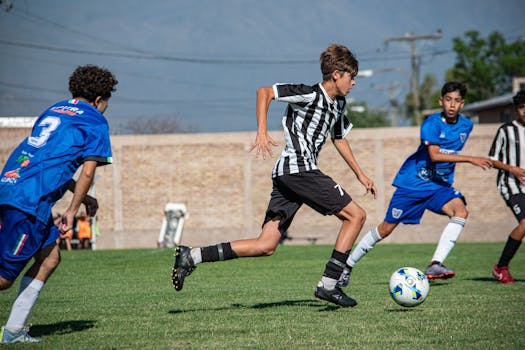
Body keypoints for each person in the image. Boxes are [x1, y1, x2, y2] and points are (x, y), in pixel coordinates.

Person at [172, 44, 376, 308]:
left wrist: (360, 174)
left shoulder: (338, 104)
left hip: (288, 176)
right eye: (351, 76)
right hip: (299, 170)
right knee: (356, 216)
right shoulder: (308, 93)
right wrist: (261, 131)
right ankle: (329, 284)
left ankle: (193, 256)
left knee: (265, 245)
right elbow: (264, 92)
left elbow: (338, 138)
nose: (354, 82)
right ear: (336, 74)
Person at [0, 65, 117, 343]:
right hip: (29, 202)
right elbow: (88, 171)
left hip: (11, 186)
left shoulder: (54, 110)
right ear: (100, 99)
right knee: (3, 279)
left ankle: (13, 331)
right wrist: (72, 210)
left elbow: (47, 163)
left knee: (50, 258)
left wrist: (81, 195)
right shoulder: (95, 121)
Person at [338, 82, 493, 288]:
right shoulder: (431, 123)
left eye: (456, 101)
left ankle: (435, 264)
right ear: (441, 101)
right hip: (414, 184)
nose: (452, 105)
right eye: (448, 100)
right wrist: (471, 158)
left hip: (438, 186)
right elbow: (434, 155)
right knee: (386, 229)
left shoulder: (467, 126)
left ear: (462, 104)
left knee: (460, 211)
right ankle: (347, 266)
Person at [489, 90, 525, 283]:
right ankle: (501, 267)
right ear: (516, 109)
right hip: (510, 184)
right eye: (521, 107)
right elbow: (492, 160)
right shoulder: (506, 131)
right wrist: (513, 169)